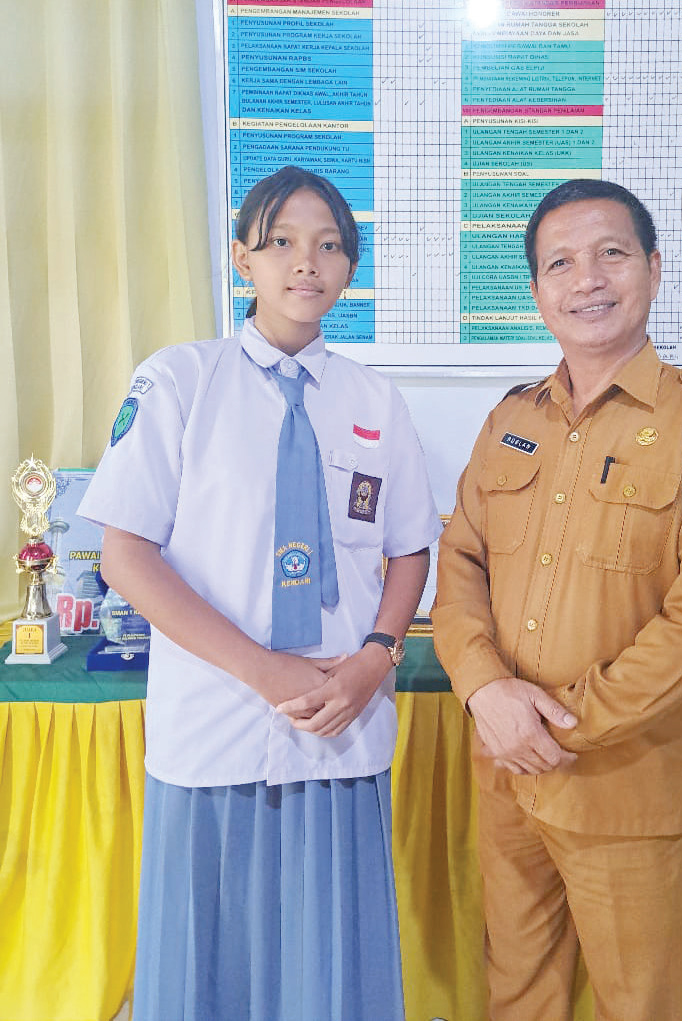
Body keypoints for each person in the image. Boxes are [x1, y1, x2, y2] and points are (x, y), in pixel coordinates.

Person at [79, 165, 441, 1021]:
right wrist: (263, 671)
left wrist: (375, 658)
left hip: (339, 720)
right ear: (242, 257)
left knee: (332, 965)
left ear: (351, 270)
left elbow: (408, 550)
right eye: (280, 241)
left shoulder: (374, 401)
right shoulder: (178, 382)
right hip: (216, 719)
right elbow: (125, 555)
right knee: (209, 960)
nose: (304, 262)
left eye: (327, 246)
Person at [432, 179, 682, 1021]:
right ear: (538, 290)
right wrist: (483, 689)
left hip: (628, 788)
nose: (586, 278)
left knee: (640, 1006)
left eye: (610, 253)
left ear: (652, 270)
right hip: (508, 777)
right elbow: (460, 558)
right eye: (560, 262)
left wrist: (553, 722)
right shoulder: (512, 419)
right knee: (517, 996)